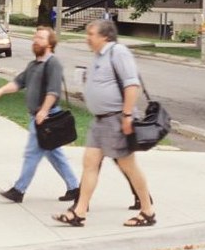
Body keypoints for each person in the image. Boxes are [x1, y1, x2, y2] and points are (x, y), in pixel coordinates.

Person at [53, 19, 156, 227]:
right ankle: (79, 211)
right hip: (100, 121)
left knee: (128, 165)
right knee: (90, 163)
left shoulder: (118, 52)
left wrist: (127, 115)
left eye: (91, 34)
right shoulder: (100, 56)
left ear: (105, 36)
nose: (87, 38)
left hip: (117, 118)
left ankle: (147, 210)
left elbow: (132, 85)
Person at [0, 27, 79, 203]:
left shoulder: (53, 63)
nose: (35, 40)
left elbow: (53, 91)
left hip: (46, 118)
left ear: (50, 43)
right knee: (55, 154)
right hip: (38, 116)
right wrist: (1, 90)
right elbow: (18, 83)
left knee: (32, 153)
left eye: (40, 38)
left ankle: (19, 190)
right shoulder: (33, 65)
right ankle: (75, 188)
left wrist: (44, 110)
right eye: (35, 37)